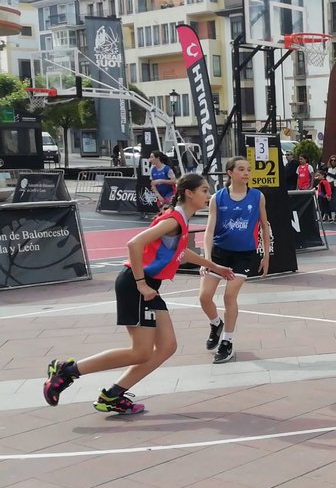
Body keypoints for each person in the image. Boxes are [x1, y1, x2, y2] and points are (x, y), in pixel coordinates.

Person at [43, 174, 236, 414]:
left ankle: (112, 396)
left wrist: (215, 267)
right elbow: (134, 244)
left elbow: (182, 253)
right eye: (205, 190)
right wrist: (141, 283)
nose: (209, 196)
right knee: (141, 352)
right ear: (189, 193)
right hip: (136, 286)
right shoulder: (174, 220)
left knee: (167, 347)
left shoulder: (180, 220)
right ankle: (66, 371)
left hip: (149, 287)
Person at [199, 157, 271, 364]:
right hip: (220, 253)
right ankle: (215, 324)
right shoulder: (217, 198)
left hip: (244, 254)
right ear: (230, 173)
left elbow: (264, 226)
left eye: (248, 169)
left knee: (229, 297)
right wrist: (207, 257)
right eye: (241, 169)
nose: (246, 173)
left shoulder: (257, 197)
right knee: (204, 297)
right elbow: (209, 230)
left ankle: (227, 342)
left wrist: (266, 255)